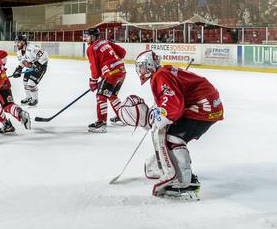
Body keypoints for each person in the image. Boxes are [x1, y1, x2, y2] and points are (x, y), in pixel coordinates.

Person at [135, 49, 223, 200]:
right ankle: (171, 166)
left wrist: (159, 118)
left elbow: (174, 107)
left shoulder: (161, 74)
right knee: (169, 130)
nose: (140, 70)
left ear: (149, 64)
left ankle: (184, 182)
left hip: (203, 108)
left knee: (172, 137)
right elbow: (171, 98)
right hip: (207, 105)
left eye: (142, 66)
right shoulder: (163, 72)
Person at [83, 27, 127, 132]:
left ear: (93, 37)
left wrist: (93, 81)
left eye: (87, 37)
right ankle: (122, 117)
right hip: (121, 71)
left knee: (101, 96)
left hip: (111, 73)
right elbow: (123, 53)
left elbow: (95, 70)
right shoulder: (105, 42)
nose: (85, 39)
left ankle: (101, 123)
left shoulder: (91, 48)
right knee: (112, 95)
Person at [12, 33, 48, 107]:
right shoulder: (19, 52)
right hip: (32, 67)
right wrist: (18, 69)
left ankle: (35, 99)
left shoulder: (32, 48)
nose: (17, 44)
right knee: (25, 80)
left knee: (31, 83)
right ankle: (29, 97)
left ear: (23, 41)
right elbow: (23, 61)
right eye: (16, 42)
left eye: (18, 42)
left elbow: (45, 55)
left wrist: (38, 64)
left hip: (41, 67)